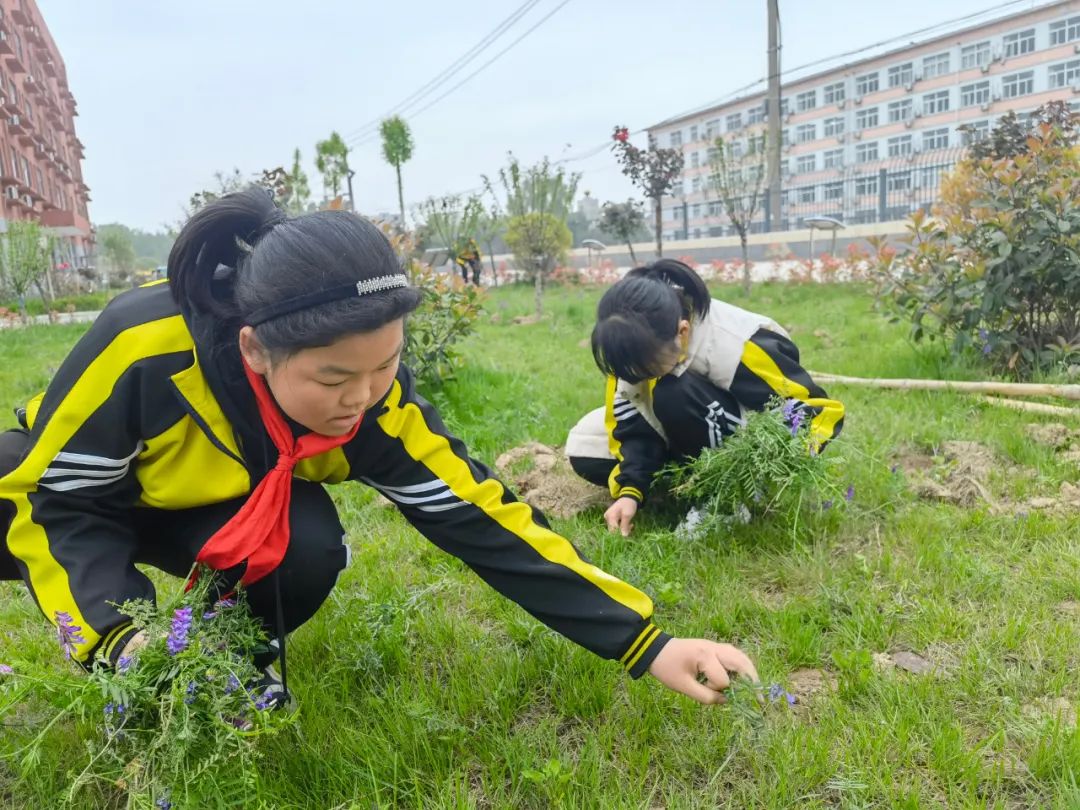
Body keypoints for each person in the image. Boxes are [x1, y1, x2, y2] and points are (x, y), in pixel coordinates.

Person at [0, 189, 756, 707]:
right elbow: (54, 499)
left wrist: (646, 641)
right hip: (81, 490)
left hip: (207, 510)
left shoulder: (375, 405)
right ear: (256, 350)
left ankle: (217, 672)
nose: (361, 399)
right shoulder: (146, 351)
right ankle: (145, 673)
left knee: (306, 542)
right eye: (332, 378)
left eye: (384, 366)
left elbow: (482, 517)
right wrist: (122, 640)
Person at [566, 259, 844, 537]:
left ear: (683, 331)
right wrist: (629, 493)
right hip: (680, 429)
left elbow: (817, 409)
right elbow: (632, 428)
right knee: (585, 449)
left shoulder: (737, 345)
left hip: (740, 437)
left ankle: (727, 501)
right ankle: (682, 486)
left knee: (671, 391)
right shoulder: (629, 355)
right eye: (631, 373)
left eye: (648, 370)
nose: (639, 378)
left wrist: (772, 465)